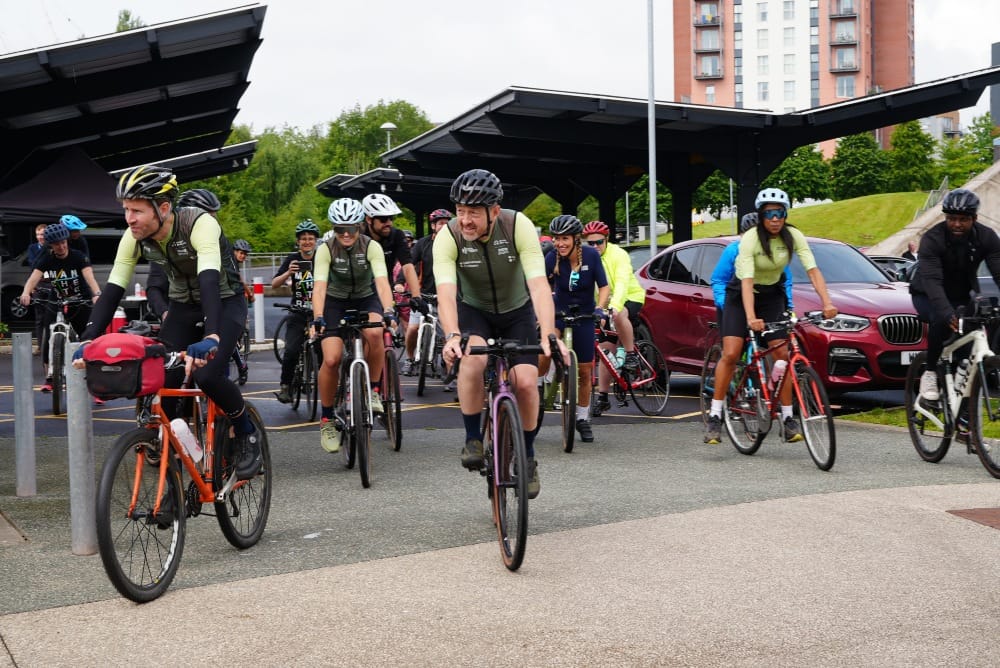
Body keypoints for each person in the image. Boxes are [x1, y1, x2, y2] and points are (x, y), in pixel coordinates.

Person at [72, 165, 262, 481]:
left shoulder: (198, 224)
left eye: (137, 210)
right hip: (183, 308)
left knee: (208, 375)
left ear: (162, 208)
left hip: (224, 303)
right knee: (165, 379)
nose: (129, 218)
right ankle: (176, 466)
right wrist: (89, 338)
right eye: (126, 210)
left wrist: (212, 336)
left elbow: (210, 281)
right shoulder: (134, 237)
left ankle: (245, 431)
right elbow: (114, 288)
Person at [433, 168, 567, 499]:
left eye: (473, 212)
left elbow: (538, 285)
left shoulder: (516, 225)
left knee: (525, 381)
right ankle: (472, 438)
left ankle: (529, 455)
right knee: (472, 362)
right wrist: (452, 335)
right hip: (474, 312)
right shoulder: (447, 237)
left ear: (494, 211)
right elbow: (446, 293)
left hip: (517, 311)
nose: (465, 220)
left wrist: (548, 334)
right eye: (460, 211)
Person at [703, 188, 838, 445]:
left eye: (780, 213)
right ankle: (716, 415)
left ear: (785, 215)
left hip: (771, 295)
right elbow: (746, 280)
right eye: (770, 214)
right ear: (762, 216)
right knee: (731, 352)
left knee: (782, 355)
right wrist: (751, 317)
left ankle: (788, 419)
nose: (775, 219)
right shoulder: (750, 239)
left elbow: (812, 270)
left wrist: (827, 302)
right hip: (740, 295)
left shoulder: (793, 235)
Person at [313, 198, 397, 453]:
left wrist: (390, 310)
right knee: (331, 359)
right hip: (334, 301)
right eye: (339, 229)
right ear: (333, 228)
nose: (346, 234)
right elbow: (319, 287)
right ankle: (327, 420)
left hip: (365, 296)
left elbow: (382, 282)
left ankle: (372, 389)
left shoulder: (371, 247)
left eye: (351, 227)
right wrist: (318, 317)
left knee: (374, 331)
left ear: (360, 225)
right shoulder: (325, 249)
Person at [909, 188, 1000, 403]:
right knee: (941, 319)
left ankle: (964, 410)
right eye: (951, 219)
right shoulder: (932, 239)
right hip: (927, 293)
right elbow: (932, 282)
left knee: (970, 336)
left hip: (961, 293)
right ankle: (930, 372)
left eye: (963, 219)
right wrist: (948, 313)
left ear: (974, 218)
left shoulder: (987, 237)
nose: (957, 224)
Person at [538, 214, 609, 443]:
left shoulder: (590, 255)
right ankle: (539, 386)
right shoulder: (551, 257)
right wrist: (542, 311)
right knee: (545, 348)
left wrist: (600, 308)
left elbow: (604, 287)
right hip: (558, 313)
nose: (560, 243)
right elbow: (541, 287)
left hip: (585, 315)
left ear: (576, 239)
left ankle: (582, 419)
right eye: (557, 239)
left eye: (565, 238)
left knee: (586, 370)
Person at [20, 222, 102, 393]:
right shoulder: (47, 259)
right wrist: (26, 292)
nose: (61, 246)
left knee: (88, 339)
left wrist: (96, 294)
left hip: (80, 301)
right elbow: (33, 279)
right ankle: (50, 377)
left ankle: (96, 383)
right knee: (48, 336)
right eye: (57, 244)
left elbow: (90, 277)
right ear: (51, 245)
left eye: (63, 242)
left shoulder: (78, 256)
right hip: (56, 301)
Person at [582, 220, 647, 414]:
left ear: (607, 240)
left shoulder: (619, 255)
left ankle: (630, 354)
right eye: (590, 243)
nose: (594, 247)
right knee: (604, 351)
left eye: (599, 242)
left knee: (619, 316)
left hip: (629, 297)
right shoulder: (586, 258)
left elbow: (621, 283)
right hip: (603, 306)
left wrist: (614, 307)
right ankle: (603, 397)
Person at [361, 193, 423, 374]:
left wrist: (417, 297)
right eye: (383, 219)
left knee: (380, 331)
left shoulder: (396, 236)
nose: (388, 222)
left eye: (391, 218)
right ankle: (360, 373)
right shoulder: (360, 236)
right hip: (360, 290)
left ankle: (375, 379)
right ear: (369, 219)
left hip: (382, 289)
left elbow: (408, 266)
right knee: (366, 336)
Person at [711, 212, 794, 323]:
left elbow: (785, 280)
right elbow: (719, 280)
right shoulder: (733, 250)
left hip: (766, 302)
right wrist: (725, 304)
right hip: (736, 300)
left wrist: (788, 304)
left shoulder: (774, 250)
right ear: (741, 235)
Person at [272, 219, 320, 403]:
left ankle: (319, 379)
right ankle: (286, 386)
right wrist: (288, 273)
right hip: (298, 310)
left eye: (310, 238)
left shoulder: (321, 258)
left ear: (316, 240)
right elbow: (275, 283)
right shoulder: (292, 259)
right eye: (303, 239)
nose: (307, 242)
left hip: (318, 312)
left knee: (323, 349)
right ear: (298, 242)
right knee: (291, 349)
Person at [401, 208, 452, 380]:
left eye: (447, 223)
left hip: (446, 297)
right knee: (413, 328)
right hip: (424, 295)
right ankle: (409, 359)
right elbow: (408, 262)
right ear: (433, 226)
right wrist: (400, 282)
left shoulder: (455, 243)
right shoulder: (423, 244)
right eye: (440, 223)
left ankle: (448, 367)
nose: (444, 226)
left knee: (447, 335)